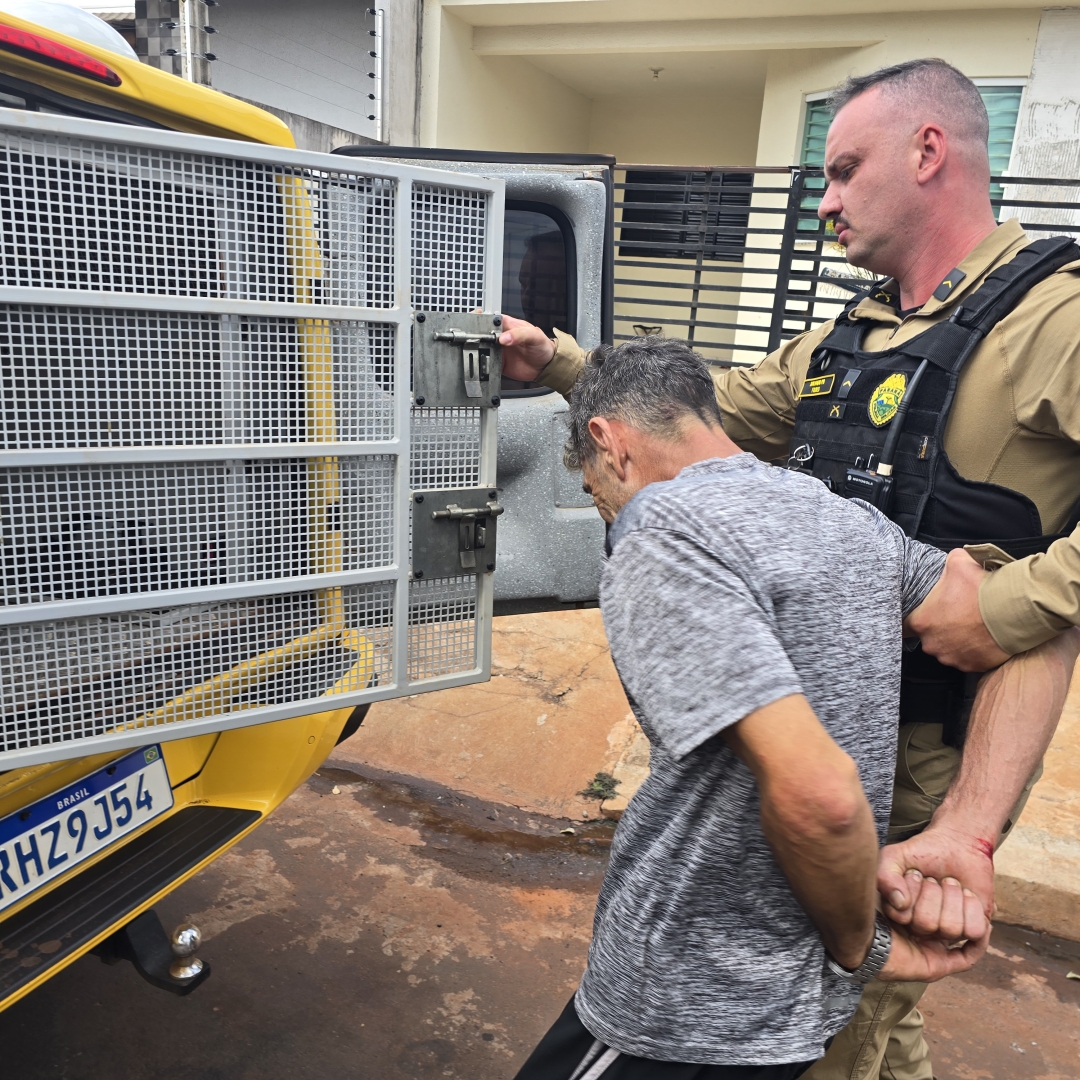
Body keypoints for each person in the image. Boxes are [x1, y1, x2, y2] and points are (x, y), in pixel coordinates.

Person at [497, 58, 1080, 1080]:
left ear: (929, 151)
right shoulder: (845, 342)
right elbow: (694, 417)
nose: (826, 203)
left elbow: (1000, 607)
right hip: (809, 728)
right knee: (810, 1002)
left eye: (845, 170)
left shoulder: (1057, 321)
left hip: (931, 754)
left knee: (848, 1011)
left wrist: (1019, 602)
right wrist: (557, 362)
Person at [513, 337, 990, 1080]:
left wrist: (860, 949)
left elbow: (821, 797)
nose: (602, 504)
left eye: (590, 485)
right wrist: (974, 826)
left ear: (607, 442)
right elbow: (1002, 613)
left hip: (684, 996)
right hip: (793, 1008)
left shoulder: (663, 529)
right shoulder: (846, 519)